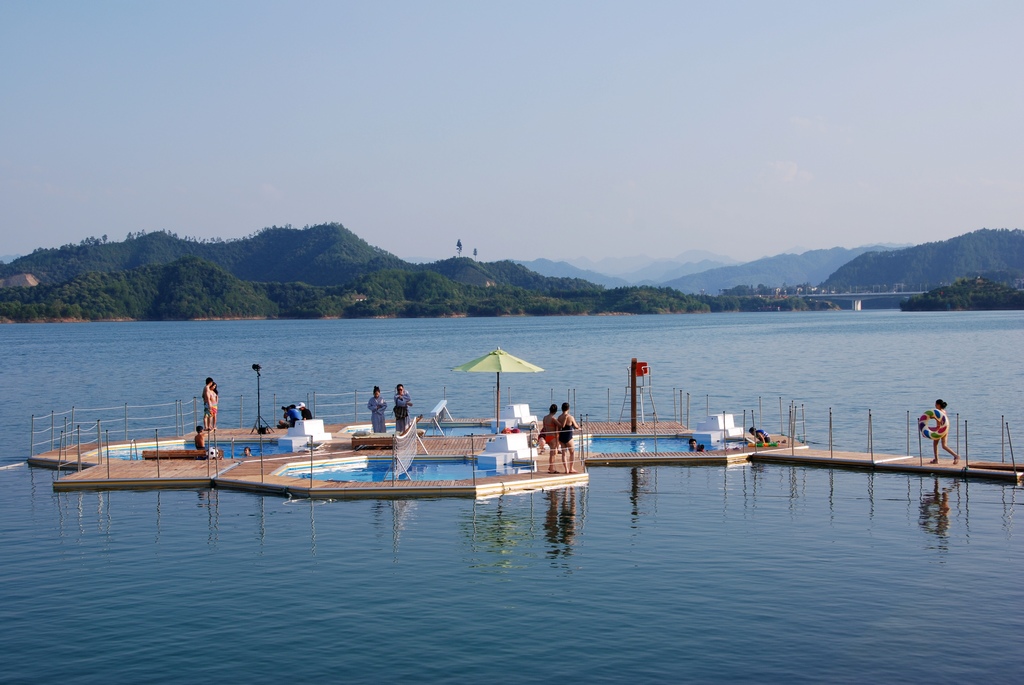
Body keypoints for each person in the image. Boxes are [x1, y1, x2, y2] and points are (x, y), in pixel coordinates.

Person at [929, 399, 960, 465]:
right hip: (945, 429)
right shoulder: (944, 411)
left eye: (936, 404)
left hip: (939, 430)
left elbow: (936, 421)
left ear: (938, 405)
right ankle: (955, 455)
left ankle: (936, 460)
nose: (935, 405)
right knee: (944, 446)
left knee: (935, 444)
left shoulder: (937, 412)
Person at [556, 402, 582, 474]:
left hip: (562, 436)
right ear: (568, 409)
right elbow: (576, 426)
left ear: (561, 409)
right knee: (572, 452)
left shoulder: (559, 417)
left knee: (564, 453)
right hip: (568, 437)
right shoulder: (570, 417)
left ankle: (566, 469)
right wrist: (579, 427)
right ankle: (571, 468)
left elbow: (559, 427)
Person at [540, 404, 560, 473]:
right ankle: (551, 468)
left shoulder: (545, 418)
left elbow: (544, 428)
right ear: (555, 411)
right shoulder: (553, 419)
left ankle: (550, 467)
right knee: (553, 453)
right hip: (552, 437)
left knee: (552, 452)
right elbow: (560, 425)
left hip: (547, 436)